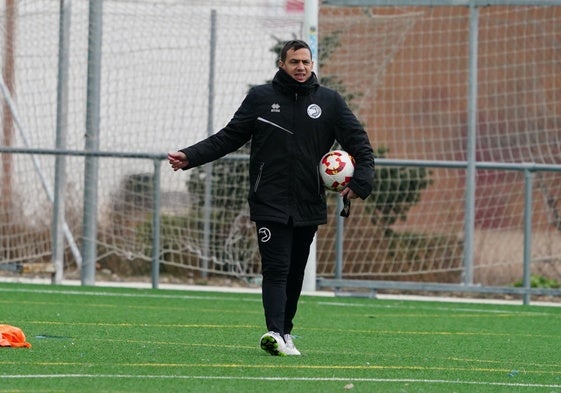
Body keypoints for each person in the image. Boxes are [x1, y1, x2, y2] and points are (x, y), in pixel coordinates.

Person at [168, 40, 374, 356]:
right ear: (282, 64)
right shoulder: (261, 99)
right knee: (276, 268)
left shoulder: (329, 102)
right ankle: (274, 333)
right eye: (294, 62)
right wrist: (190, 156)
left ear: (312, 64)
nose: (301, 67)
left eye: (306, 62)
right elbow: (229, 136)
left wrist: (361, 181)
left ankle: (286, 331)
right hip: (269, 199)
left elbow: (359, 143)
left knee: (295, 271)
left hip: (309, 201)